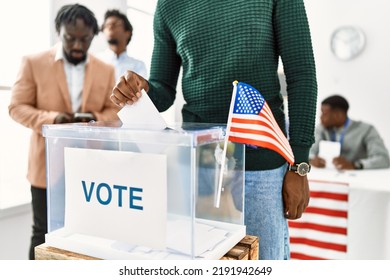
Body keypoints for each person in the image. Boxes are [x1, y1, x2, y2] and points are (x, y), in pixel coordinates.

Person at [111, 0, 317, 260]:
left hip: (259, 166)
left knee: (264, 261)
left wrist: (299, 164)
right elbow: (162, 88)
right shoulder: (168, 6)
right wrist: (142, 89)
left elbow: (302, 75)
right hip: (199, 163)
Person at [8, 4, 119, 260]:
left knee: (88, 234)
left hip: (91, 168)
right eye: (71, 39)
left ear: (94, 36)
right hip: (46, 167)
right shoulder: (32, 63)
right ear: (59, 32)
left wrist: (94, 120)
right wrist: (52, 119)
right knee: (42, 233)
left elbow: (114, 112)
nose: (78, 46)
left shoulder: (106, 69)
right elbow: (16, 107)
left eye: (85, 40)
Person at [310, 95, 390, 170]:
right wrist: (311, 159)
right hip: (328, 176)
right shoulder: (322, 128)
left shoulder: (366, 130)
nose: (320, 117)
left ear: (337, 115)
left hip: (359, 179)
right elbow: (309, 152)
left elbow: (384, 159)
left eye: (324, 114)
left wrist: (355, 165)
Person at [97, 9, 148, 81]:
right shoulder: (94, 61)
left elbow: (141, 90)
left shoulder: (138, 66)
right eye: (107, 25)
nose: (110, 27)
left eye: (115, 24)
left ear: (128, 33)